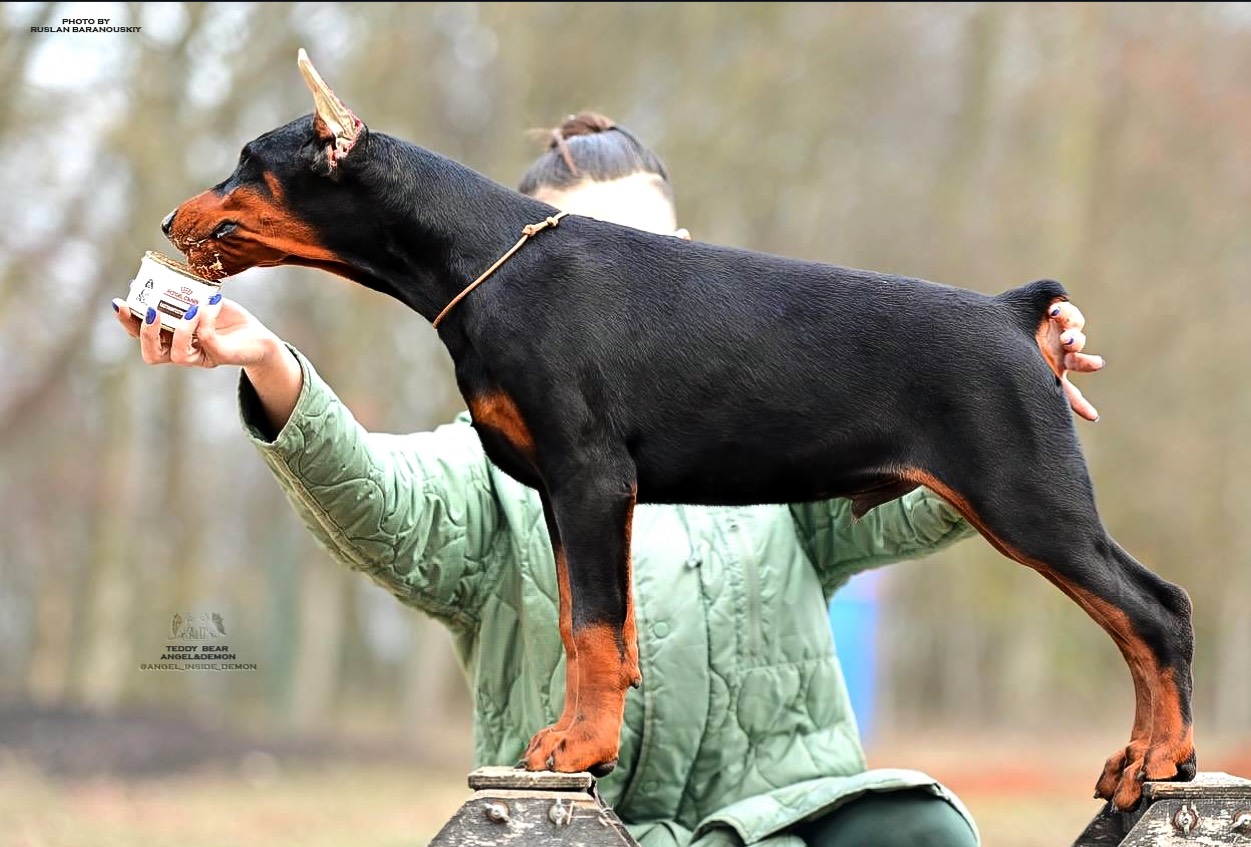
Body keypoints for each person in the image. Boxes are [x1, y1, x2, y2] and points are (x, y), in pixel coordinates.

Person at [112, 113, 1103, 847]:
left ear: (685, 260)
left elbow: (920, 508)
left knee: (921, 832)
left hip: (786, 817)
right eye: (582, 253)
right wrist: (269, 364)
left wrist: (1009, 395)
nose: (610, 278)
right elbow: (383, 507)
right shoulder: (490, 455)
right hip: (588, 825)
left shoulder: (786, 428)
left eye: (641, 253)